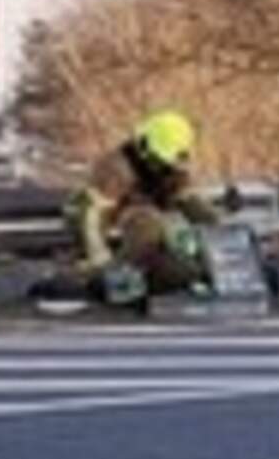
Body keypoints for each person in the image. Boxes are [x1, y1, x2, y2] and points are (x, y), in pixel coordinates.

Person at [43, 108, 220, 313]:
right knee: (147, 221)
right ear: (144, 147)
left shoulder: (169, 170)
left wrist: (221, 232)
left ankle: (147, 290)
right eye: (158, 161)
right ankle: (112, 284)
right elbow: (90, 216)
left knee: (186, 271)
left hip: (147, 249)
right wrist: (100, 262)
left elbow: (192, 203)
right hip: (112, 238)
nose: (162, 169)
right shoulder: (115, 168)